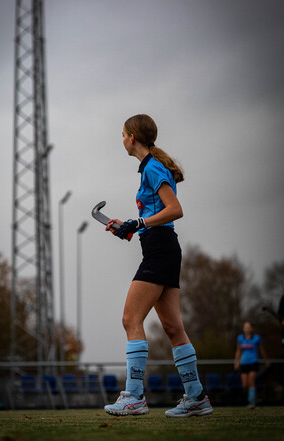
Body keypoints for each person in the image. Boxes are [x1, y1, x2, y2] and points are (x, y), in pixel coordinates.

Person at [104, 113, 213, 418]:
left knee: (130, 319)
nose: (122, 139)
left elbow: (175, 210)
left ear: (132, 138)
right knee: (173, 326)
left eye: (123, 134)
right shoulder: (150, 168)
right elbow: (153, 215)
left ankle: (135, 397)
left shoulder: (152, 167)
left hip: (161, 250)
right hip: (160, 247)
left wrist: (139, 222)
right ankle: (197, 398)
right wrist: (128, 225)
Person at [234, 321, 269, 408]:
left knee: (251, 382)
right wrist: (236, 362)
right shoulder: (240, 338)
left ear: (252, 328)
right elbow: (238, 351)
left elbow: (261, 350)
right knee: (245, 385)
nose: (247, 329)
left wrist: (266, 360)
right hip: (244, 363)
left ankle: (251, 402)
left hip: (253, 362)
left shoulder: (256, 338)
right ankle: (250, 399)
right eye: (245, 327)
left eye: (248, 327)